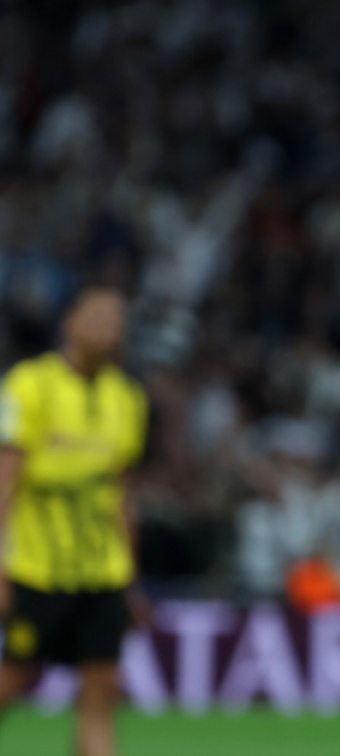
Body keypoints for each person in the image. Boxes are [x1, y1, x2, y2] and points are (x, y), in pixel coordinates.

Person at [0, 287, 148, 756]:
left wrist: (131, 578)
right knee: (11, 680)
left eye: (116, 320)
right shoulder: (28, 385)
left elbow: (122, 494)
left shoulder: (127, 397)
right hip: (36, 567)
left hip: (103, 571)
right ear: (70, 322)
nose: (109, 329)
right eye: (98, 317)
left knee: (100, 694)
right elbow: (5, 481)